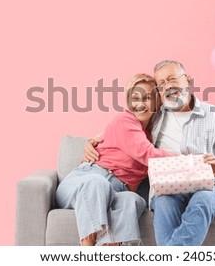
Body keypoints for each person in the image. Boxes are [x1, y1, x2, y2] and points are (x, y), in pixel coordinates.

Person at [84, 60, 215, 246]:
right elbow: (121, 132)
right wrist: (91, 142)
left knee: (202, 198)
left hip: (214, 188)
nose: (168, 86)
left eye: (172, 79)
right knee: (163, 202)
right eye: (161, 84)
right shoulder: (155, 116)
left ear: (188, 80)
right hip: (170, 189)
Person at [56, 73, 174, 246]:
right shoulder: (125, 121)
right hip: (84, 182)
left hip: (115, 191)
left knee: (132, 200)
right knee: (97, 182)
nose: (140, 104)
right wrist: (192, 161)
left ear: (157, 102)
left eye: (147, 98)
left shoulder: (147, 133)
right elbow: (148, 155)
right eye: (135, 98)